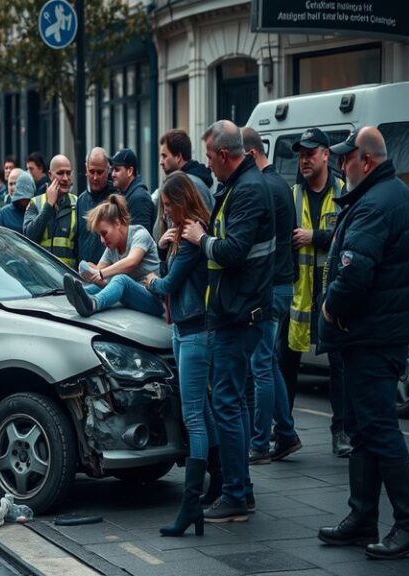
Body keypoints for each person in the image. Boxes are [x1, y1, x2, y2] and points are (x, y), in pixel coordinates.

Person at [317, 127, 409, 559]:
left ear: (367, 161)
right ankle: (361, 517)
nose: (341, 165)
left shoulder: (376, 203)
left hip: (372, 336)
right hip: (372, 334)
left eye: (346, 158)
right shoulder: (384, 195)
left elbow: (355, 272)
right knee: (362, 429)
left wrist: (330, 309)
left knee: (378, 430)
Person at [183, 120, 275, 523]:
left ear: (224, 155)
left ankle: (237, 493)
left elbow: (234, 250)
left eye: (209, 157)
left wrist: (199, 239)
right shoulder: (240, 185)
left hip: (239, 315)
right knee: (230, 402)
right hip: (235, 311)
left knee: (228, 403)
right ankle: (241, 489)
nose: (208, 166)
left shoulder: (249, 189)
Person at [143, 172, 218, 537]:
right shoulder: (180, 235)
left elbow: (169, 283)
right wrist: (160, 249)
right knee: (200, 411)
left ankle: (191, 503)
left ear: (182, 201)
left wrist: (151, 281)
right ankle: (214, 486)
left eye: (169, 205)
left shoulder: (191, 234)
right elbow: (172, 275)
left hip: (194, 332)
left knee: (194, 417)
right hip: (183, 330)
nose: (166, 212)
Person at [284, 128, 349, 457]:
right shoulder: (292, 193)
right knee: (287, 365)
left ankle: (341, 432)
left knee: (338, 366)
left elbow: (347, 236)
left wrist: (315, 236)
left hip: (332, 294)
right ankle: (283, 431)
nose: (304, 159)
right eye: (301, 153)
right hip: (298, 296)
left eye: (311, 152)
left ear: (327, 155)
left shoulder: (344, 192)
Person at [241, 127, 302, 464]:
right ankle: (288, 433)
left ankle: (260, 443)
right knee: (270, 362)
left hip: (270, 286)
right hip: (283, 283)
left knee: (261, 365)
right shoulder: (281, 185)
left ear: (250, 154)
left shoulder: (262, 186)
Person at [63, 194, 163, 318]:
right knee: (96, 285)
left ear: (117, 223)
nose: (102, 240)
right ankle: (76, 295)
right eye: (99, 235)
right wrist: (89, 271)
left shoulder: (140, 234)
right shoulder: (112, 247)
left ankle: (93, 304)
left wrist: (100, 273)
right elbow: (100, 274)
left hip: (154, 300)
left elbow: (131, 261)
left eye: (104, 233)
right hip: (132, 297)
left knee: (120, 279)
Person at [23, 154, 77, 267]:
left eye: (68, 173)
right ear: (50, 175)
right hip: (42, 276)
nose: (66, 178)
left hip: (69, 275)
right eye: (60, 173)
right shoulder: (35, 202)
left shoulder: (77, 203)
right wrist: (48, 205)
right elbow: (29, 237)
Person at [76, 146, 118, 265]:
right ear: (86, 169)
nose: (95, 177)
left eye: (100, 172)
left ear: (108, 170)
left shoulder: (116, 199)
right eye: (91, 171)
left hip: (108, 274)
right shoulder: (81, 200)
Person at [159, 129, 215, 210]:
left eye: (164, 156)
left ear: (178, 157)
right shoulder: (184, 182)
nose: (161, 162)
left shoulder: (190, 184)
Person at [110, 148, 156, 232]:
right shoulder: (126, 195)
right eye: (112, 169)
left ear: (130, 171)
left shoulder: (139, 198)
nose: (113, 174)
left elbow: (142, 237)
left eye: (117, 170)